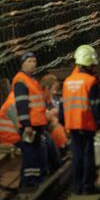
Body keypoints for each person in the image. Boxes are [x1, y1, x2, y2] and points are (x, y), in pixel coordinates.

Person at [62, 45, 100, 194]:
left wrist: (64, 124)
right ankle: (88, 186)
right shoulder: (90, 81)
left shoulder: (67, 81)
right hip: (87, 123)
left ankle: (77, 186)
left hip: (72, 125)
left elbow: (64, 106)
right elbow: (96, 105)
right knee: (88, 156)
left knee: (77, 156)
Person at [13, 52, 48, 188]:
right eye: (29, 61)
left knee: (36, 152)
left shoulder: (32, 80)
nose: (33, 64)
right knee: (30, 153)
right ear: (22, 63)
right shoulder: (21, 80)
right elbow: (22, 104)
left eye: (34, 61)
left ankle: (34, 179)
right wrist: (26, 124)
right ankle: (29, 182)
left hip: (38, 123)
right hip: (30, 125)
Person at [40, 74, 63, 172]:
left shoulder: (50, 99)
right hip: (40, 127)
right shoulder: (39, 98)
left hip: (46, 125)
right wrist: (52, 115)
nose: (55, 92)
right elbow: (43, 115)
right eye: (53, 89)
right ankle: (56, 162)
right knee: (56, 131)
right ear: (46, 88)